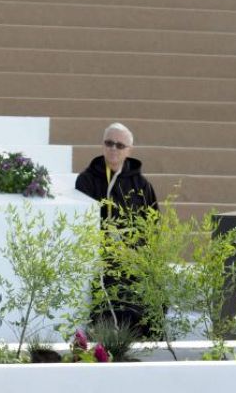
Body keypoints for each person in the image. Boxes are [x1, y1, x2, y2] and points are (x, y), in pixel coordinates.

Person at [75, 122, 158, 334]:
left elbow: (152, 226)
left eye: (120, 145)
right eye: (109, 143)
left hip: (132, 260)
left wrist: (137, 251)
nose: (113, 148)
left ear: (129, 150)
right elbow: (82, 222)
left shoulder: (142, 185)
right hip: (101, 260)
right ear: (102, 145)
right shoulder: (86, 180)